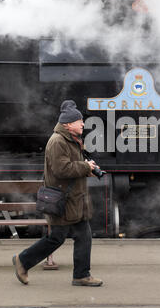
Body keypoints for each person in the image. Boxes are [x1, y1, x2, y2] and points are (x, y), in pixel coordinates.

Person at [12, 100, 103, 287]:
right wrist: (85, 167)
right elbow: (62, 169)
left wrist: (89, 167)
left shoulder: (71, 140)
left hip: (73, 200)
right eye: (80, 121)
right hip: (63, 201)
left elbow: (72, 166)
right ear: (68, 124)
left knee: (83, 234)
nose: (83, 124)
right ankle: (23, 261)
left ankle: (81, 275)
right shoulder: (57, 142)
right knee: (56, 238)